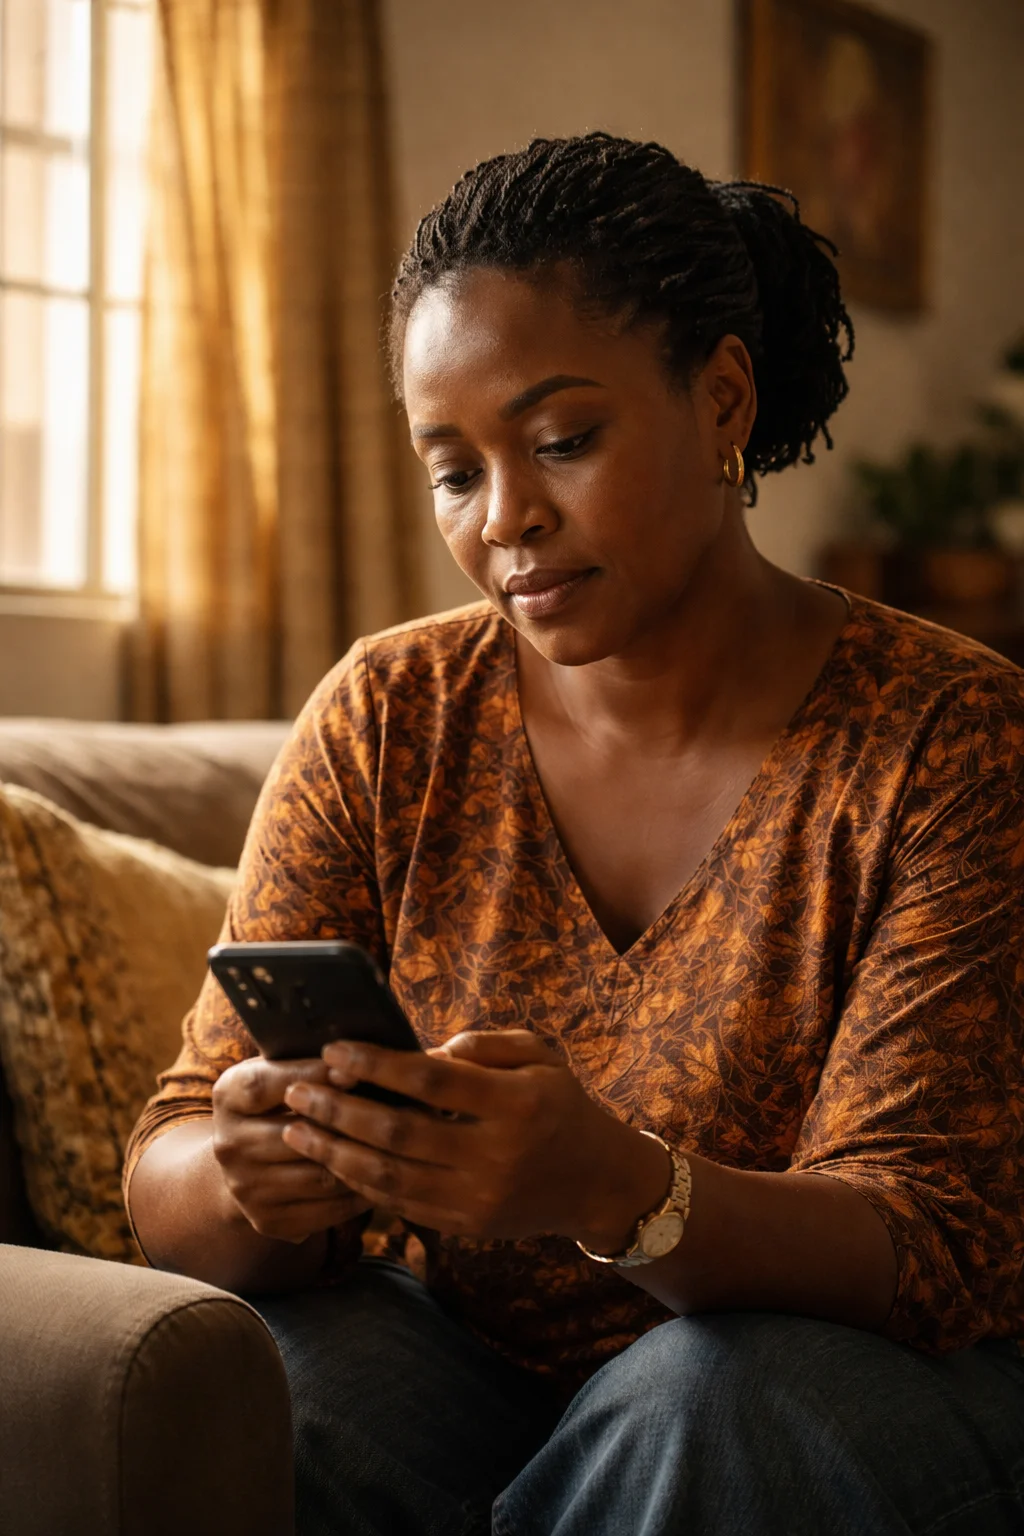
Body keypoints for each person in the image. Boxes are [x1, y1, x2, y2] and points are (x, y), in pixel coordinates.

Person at [123, 134, 1024, 1535]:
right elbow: (169, 1165)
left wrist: (618, 1187)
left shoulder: (949, 738)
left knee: (696, 1406)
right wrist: (257, 1181)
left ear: (723, 398)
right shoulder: (388, 715)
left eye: (561, 442)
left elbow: (928, 1244)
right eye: (453, 471)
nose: (507, 522)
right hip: (470, 1367)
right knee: (251, 1371)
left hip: (832, 1380)